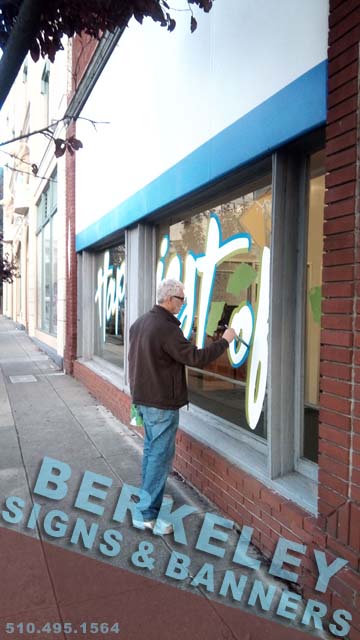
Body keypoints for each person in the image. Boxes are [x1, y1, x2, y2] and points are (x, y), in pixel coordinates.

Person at [128, 278, 237, 534]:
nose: (183, 304)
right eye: (181, 299)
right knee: (159, 458)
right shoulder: (166, 328)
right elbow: (196, 358)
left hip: (144, 400)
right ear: (168, 299)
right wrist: (225, 341)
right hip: (161, 404)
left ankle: (146, 505)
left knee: (151, 453)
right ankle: (147, 516)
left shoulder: (140, 323)